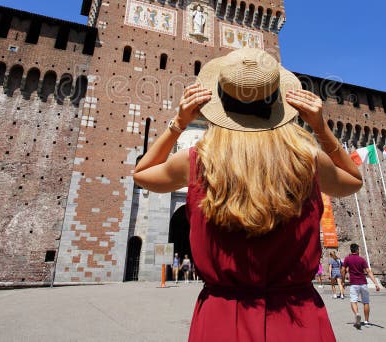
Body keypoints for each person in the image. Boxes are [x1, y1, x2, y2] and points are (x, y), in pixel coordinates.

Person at [133, 48, 363, 341]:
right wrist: (321, 128)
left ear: (221, 104)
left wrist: (178, 124)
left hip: (221, 322)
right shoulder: (308, 161)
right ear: (280, 102)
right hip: (298, 320)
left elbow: (142, 173)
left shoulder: (196, 162)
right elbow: (354, 180)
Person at [341, 243, 380, 329]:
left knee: (353, 301)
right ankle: (366, 321)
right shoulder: (362, 260)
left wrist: (343, 281)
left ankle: (357, 314)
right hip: (363, 283)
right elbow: (368, 271)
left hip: (354, 284)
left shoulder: (347, 259)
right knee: (366, 302)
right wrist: (376, 283)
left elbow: (343, 270)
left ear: (351, 250)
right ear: (357, 250)